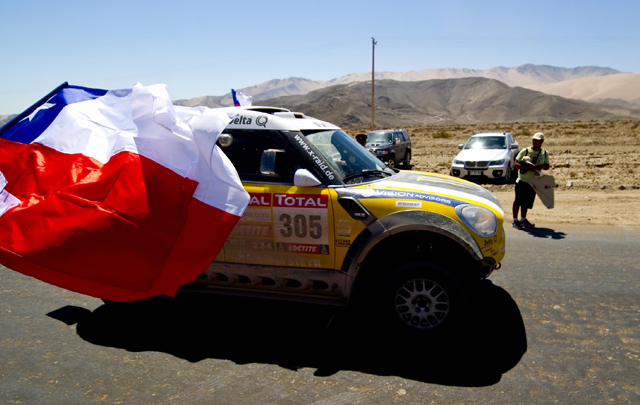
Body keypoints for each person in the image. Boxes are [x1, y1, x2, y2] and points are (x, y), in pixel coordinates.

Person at [512, 132, 550, 229]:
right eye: (534, 140)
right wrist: (526, 167)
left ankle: (523, 219)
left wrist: (540, 167)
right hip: (522, 180)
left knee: (526, 202)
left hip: (533, 182)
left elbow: (547, 166)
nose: (535, 142)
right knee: (518, 201)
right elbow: (515, 164)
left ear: (541, 142)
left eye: (537, 140)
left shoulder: (544, 153)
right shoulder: (525, 151)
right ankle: (515, 220)